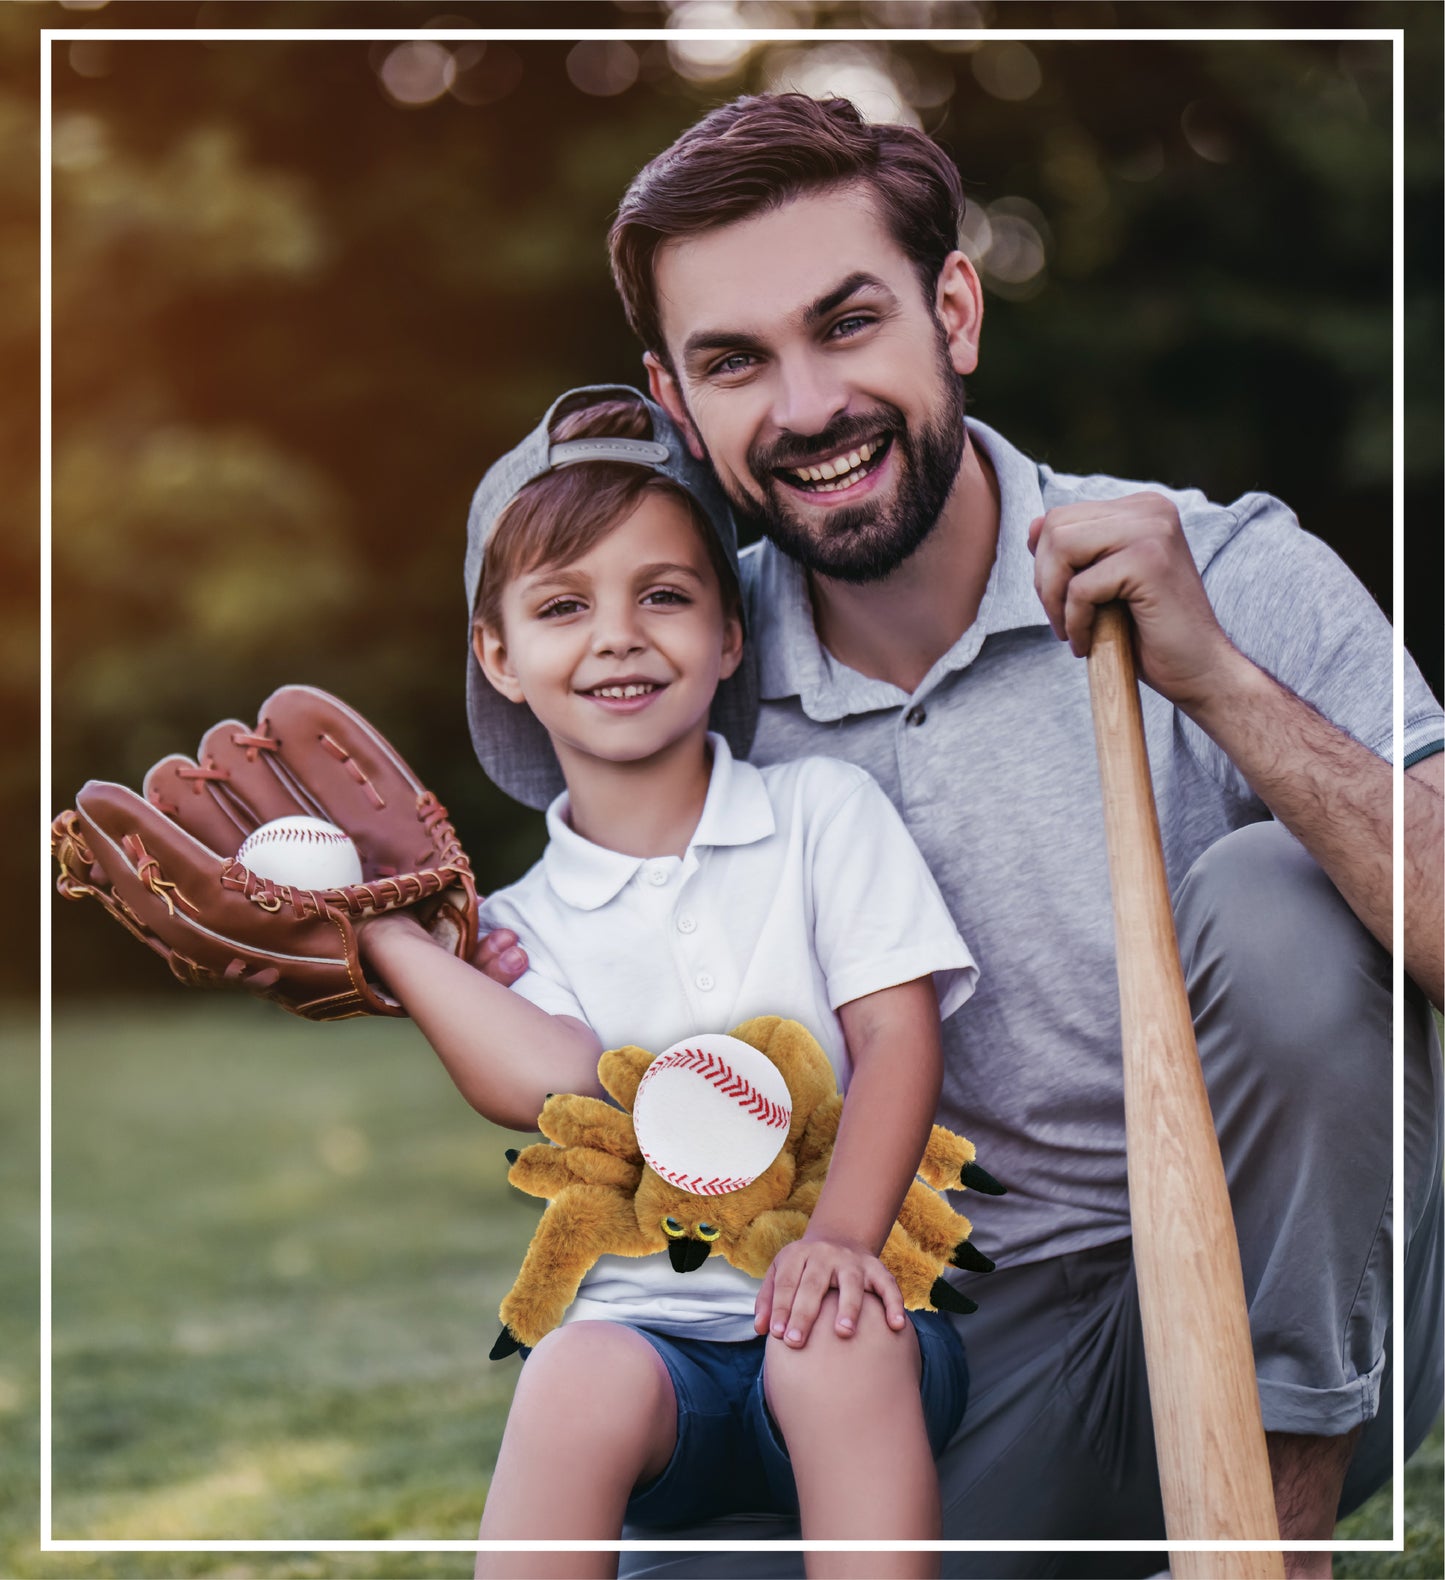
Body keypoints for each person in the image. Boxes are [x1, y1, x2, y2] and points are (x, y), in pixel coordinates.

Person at [476, 94, 1444, 1580]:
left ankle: (1265, 1554)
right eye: (735, 362)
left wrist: (1219, 682)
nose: (806, 406)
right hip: (934, 1342)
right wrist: (388, 945)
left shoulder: (1222, 566)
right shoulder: (683, 662)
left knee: (1277, 901)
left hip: (1286, 1300)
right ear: (675, 399)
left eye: (846, 323)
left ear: (954, 310)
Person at [362, 384, 992, 1580]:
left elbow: (898, 1038)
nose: (617, 634)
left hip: (863, 1327)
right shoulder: (517, 925)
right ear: (497, 654)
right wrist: (389, 937)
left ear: (729, 633)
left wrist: (840, 1238)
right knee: (571, 1369)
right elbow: (554, 1080)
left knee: (832, 1337)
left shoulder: (820, 813)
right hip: (661, 1364)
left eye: (663, 594)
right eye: (562, 605)